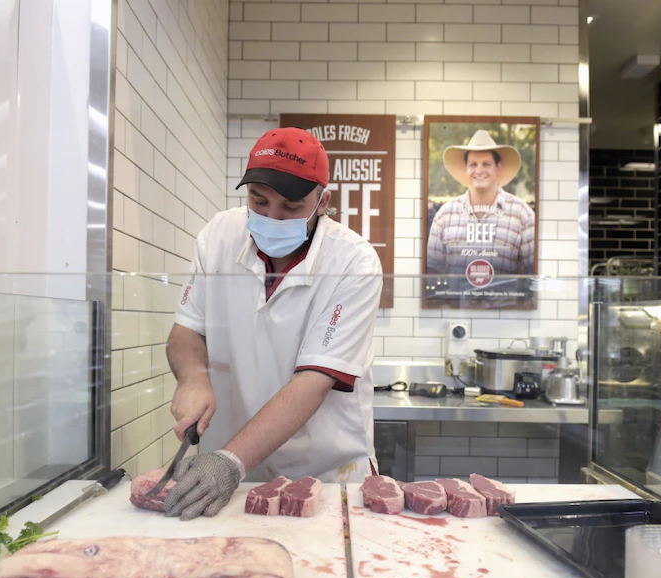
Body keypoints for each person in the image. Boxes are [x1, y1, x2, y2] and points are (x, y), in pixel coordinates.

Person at [162, 127, 383, 521]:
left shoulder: (353, 262)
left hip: (324, 476)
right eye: (258, 201)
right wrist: (193, 377)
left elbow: (314, 381)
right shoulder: (219, 235)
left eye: (291, 207)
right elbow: (187, 329)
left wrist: (230, 460)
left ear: (322, 201)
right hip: (233, 473)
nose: (271, 218)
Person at [426, 130, 535, 277]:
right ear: (466, 168)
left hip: (504, 294)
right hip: (455, 293)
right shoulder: (445, 215)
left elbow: (532, 275)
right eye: (473, 164)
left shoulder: (523, 215)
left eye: (486, 164)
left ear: (498, 167)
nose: (479, 170)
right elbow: (431, 273)